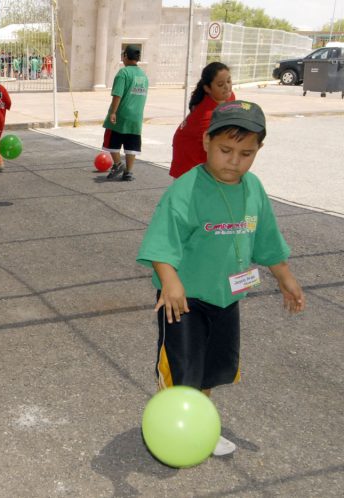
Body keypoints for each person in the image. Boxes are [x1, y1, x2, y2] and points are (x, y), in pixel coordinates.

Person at [136, 101, 305, 457]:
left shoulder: (253, 189)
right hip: (182, 302)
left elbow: (267, 238)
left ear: (258, 151)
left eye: (246, 153)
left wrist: (285, 276)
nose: (234, 161)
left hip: (226, 299)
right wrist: (169, 280)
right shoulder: (186, 189)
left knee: (212, 370)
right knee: (183, 370)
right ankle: (170, 430)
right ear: (206, 142)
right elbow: (162, 241)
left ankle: (202, 427)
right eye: (225, 150)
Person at [171, 62, 235, 179]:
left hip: (204, 146)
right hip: (188, 155)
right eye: (220, 84)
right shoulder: (207, 116)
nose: (227, 87)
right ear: (207, 89)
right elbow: (220, 147)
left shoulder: (229, 96)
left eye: (229, 81)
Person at [103, 45, 149, 181]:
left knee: (111, 142)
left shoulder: (123, 73)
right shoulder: (144, 76)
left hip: (121, 116)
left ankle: (117, 164)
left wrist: (113, 112)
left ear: (125, 56)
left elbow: (117, 94)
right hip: (136, 117)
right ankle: (128, 172)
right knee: (132, 145)